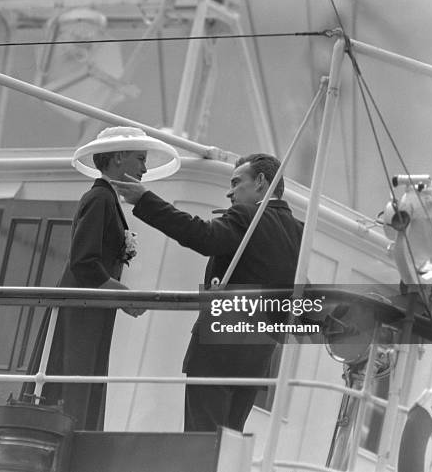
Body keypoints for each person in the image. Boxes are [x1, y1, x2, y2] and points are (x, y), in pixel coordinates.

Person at [112, 153, 303, 432]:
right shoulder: (299, 232)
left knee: (200, 443)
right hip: (258, 357)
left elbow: (202, 236)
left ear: (261, 182)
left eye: (237, 182)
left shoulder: (246, 215)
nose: (230, 192)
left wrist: (145, 200)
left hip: (217, 352)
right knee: (227, 445)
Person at [23, 127, 148, 431]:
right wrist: (124, 295)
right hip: (81, 308)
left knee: (82, 374)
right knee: (74, 374)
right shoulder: (99, 198)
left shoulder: (106, 199)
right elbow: (84, 262)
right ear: (119, 158)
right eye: (140, 159)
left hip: (91, 307)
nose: (145, 168)